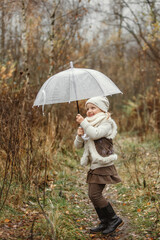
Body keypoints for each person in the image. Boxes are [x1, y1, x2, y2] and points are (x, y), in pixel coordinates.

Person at [74, 96, 123, 236]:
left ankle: (114, 219)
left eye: (93, 108)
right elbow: (77, 146)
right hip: (94, 165)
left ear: (102, 108)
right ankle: (105, 221)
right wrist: (79, 135)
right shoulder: (88, 124)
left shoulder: (106, 122)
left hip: (103, 163)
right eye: (87, 108)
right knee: (92, 194)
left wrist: (84, 123)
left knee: (95, 194)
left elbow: (95, 135)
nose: (89, 111)